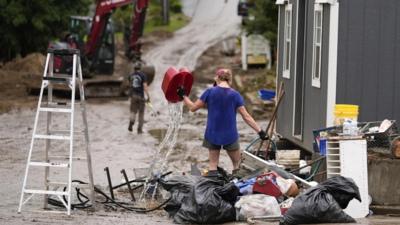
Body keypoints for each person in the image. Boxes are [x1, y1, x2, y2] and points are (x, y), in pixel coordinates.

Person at [177, 69, 269, 180]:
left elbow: (192, 108)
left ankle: (213, 191)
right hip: (230, 134)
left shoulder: (209, 92)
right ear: (229, 80)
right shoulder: (235, 95)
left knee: (213, 165)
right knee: (237, 165)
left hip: (212, 133)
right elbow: (246, 117)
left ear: (217, 79)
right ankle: (236, 189)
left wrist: (183, 95)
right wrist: (260, 131)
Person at [127, 62, 150, 134]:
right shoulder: (143, 75)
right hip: (141, 96)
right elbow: (145, 87)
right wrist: (148, 96)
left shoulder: (131, 76)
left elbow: (128, 84)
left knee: (133, 111)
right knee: (141, 113)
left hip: (133, 95)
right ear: (140, 68)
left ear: (134, 68)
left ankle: (131, 121)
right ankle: (139, 130)